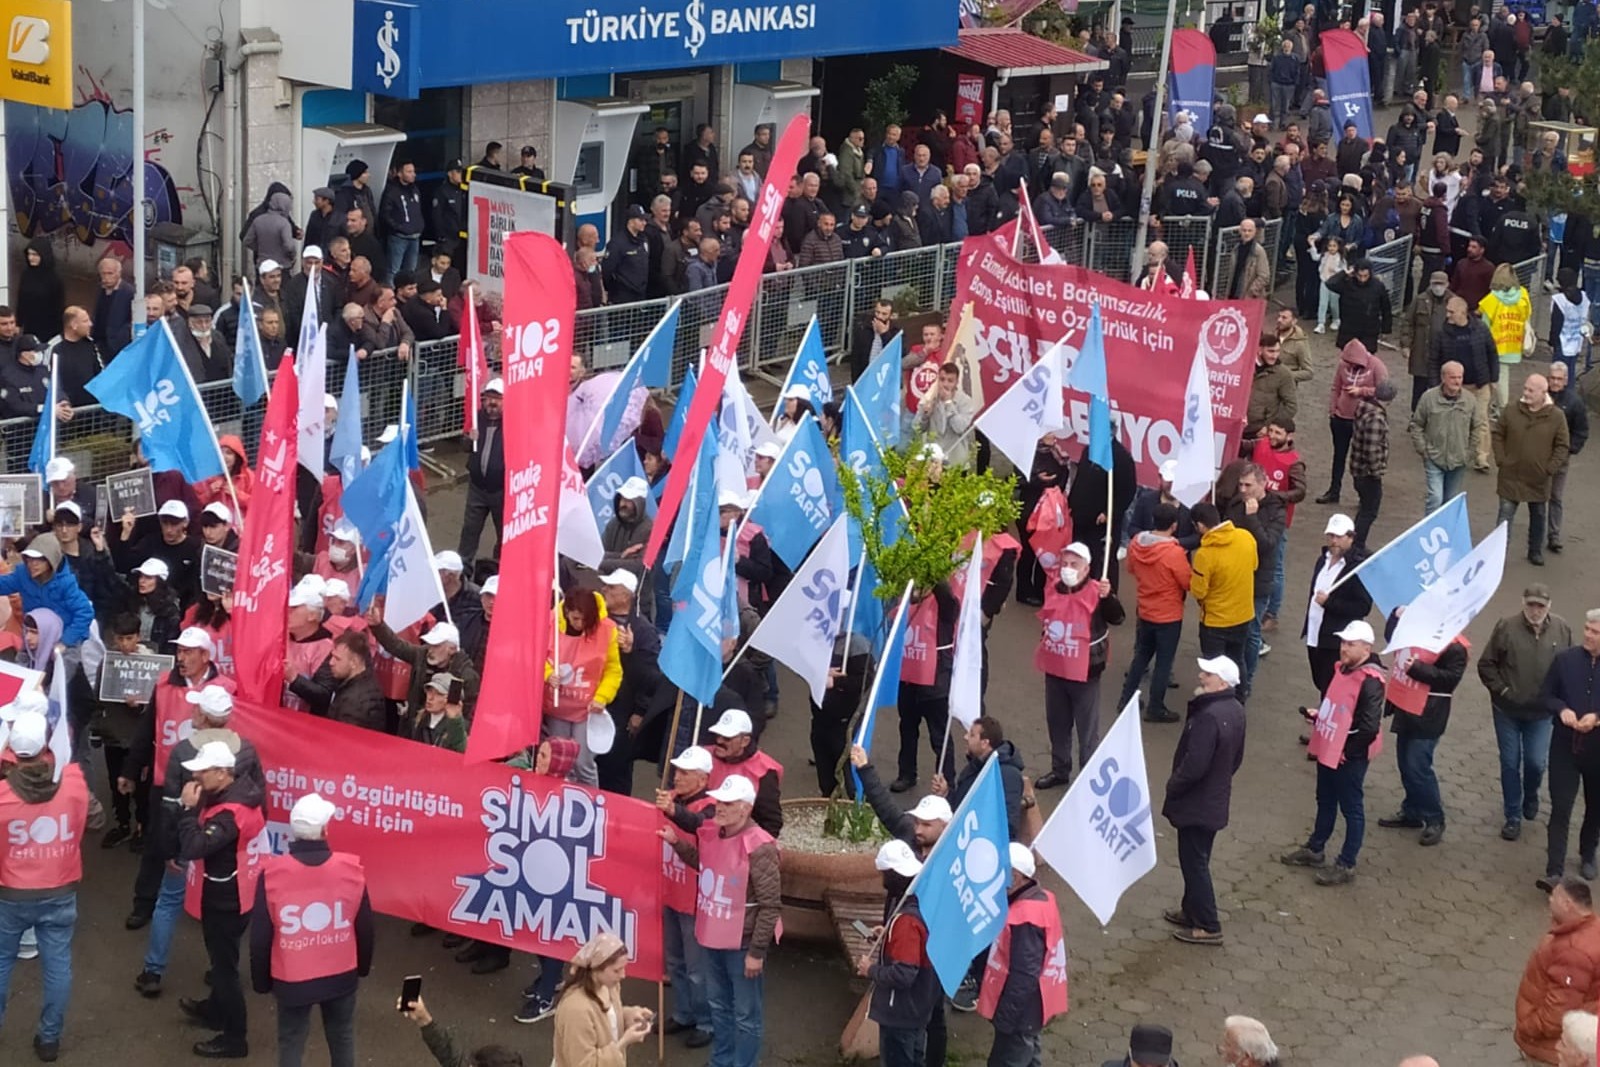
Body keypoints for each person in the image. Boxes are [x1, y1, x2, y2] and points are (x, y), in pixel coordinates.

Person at [661, 774, 781, 1067]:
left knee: (745, 1014)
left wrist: (756, 953)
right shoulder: (715, 834)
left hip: (741, 943)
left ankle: (742, 1064)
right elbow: (706, 864)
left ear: (746, 808)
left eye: (727, 803)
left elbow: (770, 905)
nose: (719, 808)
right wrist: (677, 843)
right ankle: (721, 1060)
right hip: (713, 936)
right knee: (719, 1006)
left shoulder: (761, 846)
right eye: (718, 801)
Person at [250, 793, 372, 1067]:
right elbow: (365, 927)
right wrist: (361, 968)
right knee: (342, 1037)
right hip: (341, 975)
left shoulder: (272, 874)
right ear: (325, 830)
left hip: (292, 979)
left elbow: (260, 936)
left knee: (291, 1042)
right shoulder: (351, 870)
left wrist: (262, 981)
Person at [0, 708, 87, 1063]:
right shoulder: (74, 783)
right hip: (60, 890)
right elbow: (93, 816)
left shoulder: (3, 796)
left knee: (2, 963)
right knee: (58, 967)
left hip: (11, 894)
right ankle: (49, 1038)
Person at [175, 739, 265, 1058]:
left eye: (202, 772)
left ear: (222, 773)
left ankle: (235, 1038)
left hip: (226, 898)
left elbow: (195, 847)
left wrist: (187, 810)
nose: (196, 778)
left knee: (225, 970)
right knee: (221, 960)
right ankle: (214, 1011)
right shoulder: (243, 791)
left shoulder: (229, 813)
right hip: (238, 890)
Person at [1283, 620, 1386, 886]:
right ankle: (1315, 848)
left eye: (1350, 644)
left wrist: (1349, 752)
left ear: (1366, 648)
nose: (1343, 648)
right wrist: (1320, 716)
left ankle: (1346, 863)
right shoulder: (1342, 669)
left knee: (1352, 808)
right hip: (1329, 746)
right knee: (1325, 799)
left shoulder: (1371, 681)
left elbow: (1369, 727)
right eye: (1343, 643)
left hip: (1348, 755)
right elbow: (1338, 706)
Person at [1162, 656, 1246, 947]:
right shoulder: (1235, 710)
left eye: (1207, 674)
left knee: (1194, 862)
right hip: (1213, 800)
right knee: (1198, 857)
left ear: (1221, 682)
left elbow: (1194, 765)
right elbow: (1236, 759)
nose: (1200, 676)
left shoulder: (1208, 716)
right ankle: (1191, 910)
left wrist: (1173, 785)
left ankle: (1208, 924)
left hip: (1196, 803)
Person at [1481, 586, 1574, 844]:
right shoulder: (1506, 628)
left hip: (1542, 714)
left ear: (1549, 606)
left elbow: (1569, 666)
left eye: (1540, 606)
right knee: (1510, 763)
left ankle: (1530, 794)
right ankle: (1513, 815)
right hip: (1507, 711)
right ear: (1523, 603)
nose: (1535, 611)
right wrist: (1503, 691)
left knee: (1536, 762)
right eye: (1531, 605)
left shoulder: (1562, 629)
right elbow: (1486, 664)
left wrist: (1563, 700)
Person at [1035, 543, 1125, 790]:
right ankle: (1060, 769)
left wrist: (1109, 598)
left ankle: (1088, 777)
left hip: (1085, 671)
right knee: (1057, 723)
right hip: (1055, 667)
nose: (1067, 569)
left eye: (1074, 565)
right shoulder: (1054, 588)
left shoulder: (1098, 591)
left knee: (1087, 729)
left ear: (1086, 568)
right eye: (1064, 564)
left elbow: (1117, 618)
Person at [1378, 609, 1468, 847]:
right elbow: (1392, 637)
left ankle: (1434, 818)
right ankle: (1412, 811)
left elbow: (1450, 678)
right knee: (1405, 764)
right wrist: (1396, 616)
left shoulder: (1454, 645)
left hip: (1429, 715)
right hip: (1406, 709)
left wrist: (1416, 668)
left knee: (1418, 766)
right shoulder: (1414, 632)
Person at [977, 843, 1066, 1067]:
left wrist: (1006, 1018)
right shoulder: (1042, 899)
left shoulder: (1025, 917)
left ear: (1016, 876)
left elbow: (1024, 974)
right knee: (1029, 1056)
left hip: (1021, 1012)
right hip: (1033, 1007)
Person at [655, 747, 715, 1049]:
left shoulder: (713, 806)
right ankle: (683, 1013)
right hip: (670, 893)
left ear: (703, 779)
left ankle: (706, 1021)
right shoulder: (673, 799)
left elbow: (699, 824)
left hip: (694, 902)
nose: (677, 777)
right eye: (676, 770)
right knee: (675, 962)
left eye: (685, 773)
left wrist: (673, 812)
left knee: (697, 970)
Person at [857, 841, 937, 1067]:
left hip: (900, 1012)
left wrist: (870, 969)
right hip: (919, 1008)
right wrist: (889, 934)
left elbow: (903, 974)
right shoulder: (921, 903)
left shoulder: (906, 922)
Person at [1541, 611, 1600, 891]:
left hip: (1597, 751)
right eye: (1587, 629)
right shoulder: (1565, 660)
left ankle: (1588, 853)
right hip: (1565, 746)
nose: (1588, 635)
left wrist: (1597, 718)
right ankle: (1554, 869)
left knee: (1595, 806)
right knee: (1561, 807)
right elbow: (1546, 694)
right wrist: (1562, 709)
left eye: (1595, 632)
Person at [1120, 503, 1192, 724]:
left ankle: (1126, 698)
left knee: (1141, 656)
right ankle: (1156, 706)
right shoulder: (1174, 553)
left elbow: (1131, 568)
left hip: (1145, 610)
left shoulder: (1136, 543)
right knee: (1163, 662)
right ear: (1174, 525)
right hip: (1168, 615)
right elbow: (1187, 582)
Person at [1515, 878, 1600, 1060]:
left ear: (1567, 904)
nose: (1549, 900)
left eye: (1553, 896)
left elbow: (1558, 1013)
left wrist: (1527, 1029)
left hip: (1550, 1050)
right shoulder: (1593, 929)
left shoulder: (1574, 953)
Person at [1494, 373, 1570, 566]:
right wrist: (1501, 458)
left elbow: (1562, 445)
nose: (1525, 392)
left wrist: (1550, 468)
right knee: (1505, 517)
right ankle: (1497, 553)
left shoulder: (1556, 417)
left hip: (1538, 478)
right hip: (1510, 475)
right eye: (1525, 388)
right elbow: (1498, 434)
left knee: (1538, 516)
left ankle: (1535, 551)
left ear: (1543, 393)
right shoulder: (1511, 410)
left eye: (1530, 390)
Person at [550, 932, 653, 1066]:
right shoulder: (576, 1010)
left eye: (624, 968)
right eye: (616, 970)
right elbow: (583, 1064)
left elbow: (607, 1017)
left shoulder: (610, 986)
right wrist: (623, 1043)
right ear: (595, 970)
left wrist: (629, 1015)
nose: (623, 975)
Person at [1318, 339, 1391, 505]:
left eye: (1352, 362)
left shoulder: (1376, 365)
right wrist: (1333, 410)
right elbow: (1336, 387)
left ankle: (1363, 496)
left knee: (1362, 460)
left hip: (1364, 421)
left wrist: (1362, 391)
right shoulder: (1342, 365)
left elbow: (1385, 391)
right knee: (1339, 457)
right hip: (1341, 417)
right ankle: (1333, 491)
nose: (1349, 365)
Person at [1189, 503, 1257, 670]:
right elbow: (1254, 565)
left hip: (1215, 621)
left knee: (1214, 668)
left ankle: (1217, 695)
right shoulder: (1246, 536)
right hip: (1243, 615)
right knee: (1237, 661)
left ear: (1200, 525)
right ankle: (1240, 695)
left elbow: (1198, 591)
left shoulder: (1204, 554)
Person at [1408, 360, 1480, 514]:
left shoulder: (1470, 400)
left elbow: (1477, 427)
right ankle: (1429, 531)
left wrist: (1470, 453)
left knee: (1450, 502)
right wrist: (1423, 449)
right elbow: (1416, 424)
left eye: (1460, 377)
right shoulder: (1428, 398)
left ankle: (1446, 533)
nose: (1457, 381)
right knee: (1435, 498)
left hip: (1459, 460)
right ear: (1443, 378)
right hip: (1434, 457)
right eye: (1453, 377)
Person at [458, 378, 505, 565]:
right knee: (470, 529)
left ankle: (500, 566)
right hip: (477, 487)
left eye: (497, 398)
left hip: (502, 490)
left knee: (504, 532)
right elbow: (465, 448)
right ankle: (463, 566)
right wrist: (469, 439)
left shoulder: (515, 423)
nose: (492, 402)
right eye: (488, 397)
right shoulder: (477, 419)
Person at [1348, 379, 1396, 552]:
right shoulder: (1376, 417)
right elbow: (1371, 449)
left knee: (1364, 508)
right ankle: (1357, 544)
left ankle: (1355, 542)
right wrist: (1377, 471)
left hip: (1357, 468)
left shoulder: (1363, 409)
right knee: (1369, 511)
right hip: (1367, 473)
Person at [1546, 362, 1588, 555]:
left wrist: (1570, 450)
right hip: (1537, 455)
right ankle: (1536, 534)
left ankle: (1553, 535)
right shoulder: (1540, 394)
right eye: (1552, 378)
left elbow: (1581, 431)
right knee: (1535, 497)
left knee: (1556, 496)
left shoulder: (1574, 402)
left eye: (1559, 379)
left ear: (1565, 380)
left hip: (1561, 458)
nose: (1555, 382)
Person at [911, 363, 978, 466]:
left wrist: (948, 403)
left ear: (956, 382)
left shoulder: (965, 401)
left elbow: (960, 428)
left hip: (955, 461)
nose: (945, 384)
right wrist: (925, 415)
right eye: (942, 379)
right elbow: (916, 428)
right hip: (933, 460)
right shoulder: (929, 398)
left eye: (950, 381)